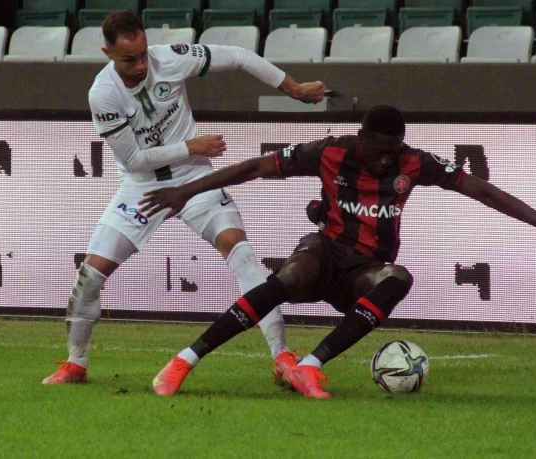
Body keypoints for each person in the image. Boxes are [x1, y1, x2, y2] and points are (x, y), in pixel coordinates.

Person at [139, 105, 536, 399]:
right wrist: (186, 191)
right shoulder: (329, 152)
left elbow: (482, 190)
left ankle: (309, 367)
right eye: (379, 150)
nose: (386, 159)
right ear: (361, 138)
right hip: (324, 252)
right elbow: (255, 167)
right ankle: (183, 362)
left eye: (393, 151)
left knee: (398, 278)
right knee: (290, 276)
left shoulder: (414, 162)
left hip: (365, 269)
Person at [42, 11, 326, 385]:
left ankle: (282, 356)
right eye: (129, 59)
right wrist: (190, 146)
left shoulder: (171, 58)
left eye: (143, 54)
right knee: (90, 275)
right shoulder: (103, 94)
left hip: (194, 180)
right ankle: (76, 363)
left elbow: (240, 56)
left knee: (242, 254)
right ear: (107, 53)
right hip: (143, 189)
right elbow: (134, 160)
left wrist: (293, 87)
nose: (140, 65)